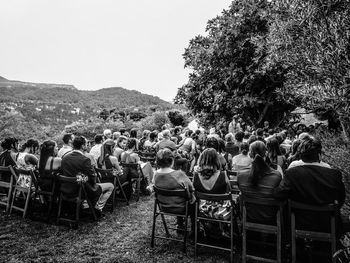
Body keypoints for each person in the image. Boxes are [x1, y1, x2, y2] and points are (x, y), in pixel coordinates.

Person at [273, 136, 345, 234]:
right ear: (319, 155)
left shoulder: (292, 173)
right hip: (327, 224)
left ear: (301, 155)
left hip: (298, 222)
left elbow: (278, 194)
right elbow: (341, 200)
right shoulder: (334, 174)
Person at [61, 136, 114, 217]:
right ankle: (98, 208)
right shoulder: (84, 159)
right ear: (82, 146)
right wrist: (94, 180)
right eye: (86, 144)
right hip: (82, 190)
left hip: (66, 189)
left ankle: (86, 205)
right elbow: (93, 178)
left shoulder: (65, 157)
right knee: (110, 186)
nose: (87, 145)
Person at [237, 141, 282, 224]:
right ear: (266, 153)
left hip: (249, 215)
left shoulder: (241, 175)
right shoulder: (276, 175)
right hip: (270, 216)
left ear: (250, 155)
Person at [193, 148, 232, 239]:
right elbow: (229, 192)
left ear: (201, 159)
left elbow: (193, 191)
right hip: (222, 212)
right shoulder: (223, 175)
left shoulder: (196, 175)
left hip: (202, 211)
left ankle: (210, 230)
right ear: (216, 160)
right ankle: (227, 231)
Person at [154, 149, 195, 231]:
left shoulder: (156, 174)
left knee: (179, 197)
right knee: (193, 200)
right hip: (182, 208)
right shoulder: (179, 174)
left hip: (163, 207)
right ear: (172, 161)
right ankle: (194, 230)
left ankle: (180, 225)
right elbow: (192, 188)